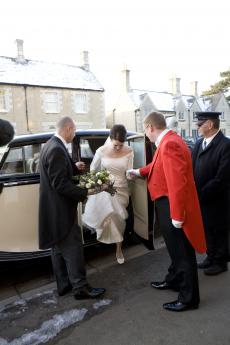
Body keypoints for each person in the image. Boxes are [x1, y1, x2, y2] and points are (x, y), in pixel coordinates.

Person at [127, 112, 206, 312]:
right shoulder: (169, 140)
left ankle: (189, 299)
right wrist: (138, 172)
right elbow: (158, 166)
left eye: (146, 130)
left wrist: (178, 215)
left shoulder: (169, 144)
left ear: (150, 127)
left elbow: (177, 183)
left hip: (172, 205)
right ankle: (174, 280)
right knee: (175, 250)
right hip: (167, 204)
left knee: (182, 253)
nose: (146, 135)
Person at [39, 116, 105, 299]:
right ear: (68, 128)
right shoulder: (57, 149)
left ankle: (64, 285)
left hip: (53, 211)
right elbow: (59, 184)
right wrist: (85, 192)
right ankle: (81, 288)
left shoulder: (50, 146)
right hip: (61, 212)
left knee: (58, 248)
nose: (74, 134)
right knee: (73, 247)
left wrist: (72, 166)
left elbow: (55, 173)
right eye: (74, 131)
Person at [82, 124, 133, 264]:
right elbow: (93, 170)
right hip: (106, 189)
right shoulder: (101, 151)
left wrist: (132, 175)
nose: (118, 148)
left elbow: (129, 172)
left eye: (121, 145)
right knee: (110, 216)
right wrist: (100, 182)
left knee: (119, 219)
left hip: (122, 189)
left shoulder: (129, 151)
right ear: (110, 139)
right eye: (116, 145)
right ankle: (112, 242)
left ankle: (119, 248)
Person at [192, 111, 230, 275]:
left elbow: (222, 177)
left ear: (210, 124)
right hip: (201, 197)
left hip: (218, 199)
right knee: (207, 229)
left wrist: (201, 193)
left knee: (219, 230)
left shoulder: (226, 144)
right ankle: (211, 256)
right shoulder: (199, 143)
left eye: (200, 124)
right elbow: (192, 168)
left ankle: (220, 262)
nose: (197, 126)